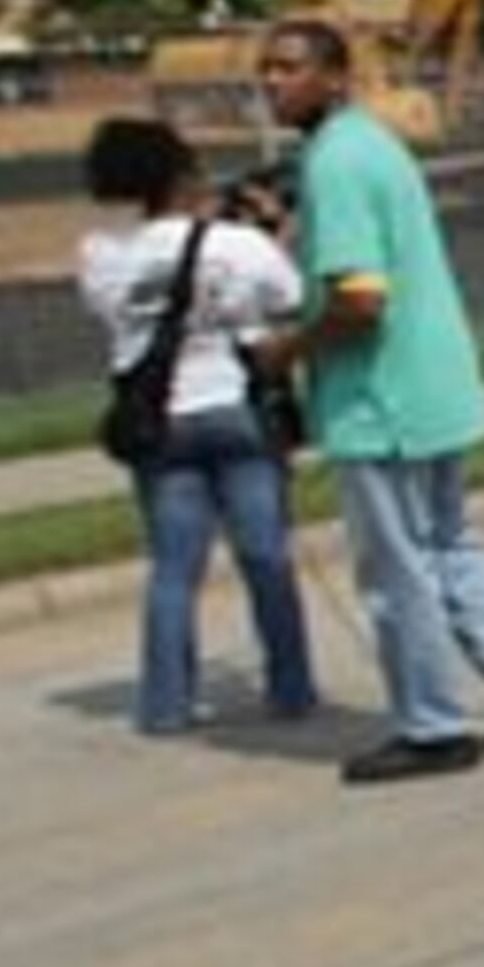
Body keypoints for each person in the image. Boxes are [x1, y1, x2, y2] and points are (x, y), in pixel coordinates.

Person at [250, 18, 484, 784]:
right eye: (266, 69)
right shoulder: (371, 144)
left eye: (290, 68)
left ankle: (433, 726)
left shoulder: (333, 162)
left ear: (337, 78)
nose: (273, 81)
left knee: (398, 569)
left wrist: (285, 350)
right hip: (436, 384)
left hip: (383, 400)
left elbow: (360, 299)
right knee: (453, 548)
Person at [75, 116, 316, 736]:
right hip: (235, 409)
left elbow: (118, 318)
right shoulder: (237, 245)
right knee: (265, 556)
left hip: (158, 422)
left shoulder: (100, 256)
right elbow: (287, 300)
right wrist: (272, 233)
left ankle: (165, 703)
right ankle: (290, 687)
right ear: (185, 176)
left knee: (173, 568)